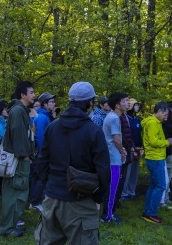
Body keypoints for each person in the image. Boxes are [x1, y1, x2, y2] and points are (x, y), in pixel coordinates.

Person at [34, 81, 110, 245]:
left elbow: (41, 162)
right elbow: (104, 170)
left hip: (52, 200)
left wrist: (50, 186)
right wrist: (97, 197)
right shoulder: (94, 131)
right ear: (90, 103)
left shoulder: (53, 127)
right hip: (80, 202)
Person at [0, 81, 34, 238]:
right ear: (23, 95)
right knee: (14, 194)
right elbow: (18, 135)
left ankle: (11, 224)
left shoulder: (21, 110)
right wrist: (24, 156)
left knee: (19, 194)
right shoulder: (18, 111)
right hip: (18, 160)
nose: (34, 95)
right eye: (31, 92)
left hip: (21, 158)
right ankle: (7, 228)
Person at [141, 102, 172, 224]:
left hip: (156, 157)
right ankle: (151, 213)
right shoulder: (152, 123)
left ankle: (147, 212)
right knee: (161, 185)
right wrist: (167, 142)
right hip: (155, 158)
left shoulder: (156, 122)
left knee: (153, 185)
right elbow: (153, 141)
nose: (166, 117)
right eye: (165, 114)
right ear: (160, 111)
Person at [100, 92, 128, 224]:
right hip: (113, 159)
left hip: (113, 157)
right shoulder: (114, 118)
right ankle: (107, 216)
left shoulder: (112, 117)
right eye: (124, 101)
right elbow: (116, 140)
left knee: (112, 187)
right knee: (112, 188)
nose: (127, 103)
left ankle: (108, 214)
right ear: (117, 105)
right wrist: (122, 151)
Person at [29, 92, 56, 212]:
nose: (54, 104)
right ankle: (34, 202)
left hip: (42, 153)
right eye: (51, 102)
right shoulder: (42, 117)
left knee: (38, 177)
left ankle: (34, 200)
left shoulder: (45, 115)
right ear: (45, 104)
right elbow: (40, 137)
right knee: (40, 177)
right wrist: (44, 153)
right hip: (42, 154)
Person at [121, 98, 142, 200]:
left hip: (138, 148)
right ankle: (124, 193)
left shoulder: (137, 119)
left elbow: (140, 134)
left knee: (135, 171)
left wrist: (141, 146)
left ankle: (131, 191)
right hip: (130, 148)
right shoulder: (126, 118)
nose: (137, 107)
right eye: (136, 105)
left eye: (138, 105)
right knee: (127, 171)